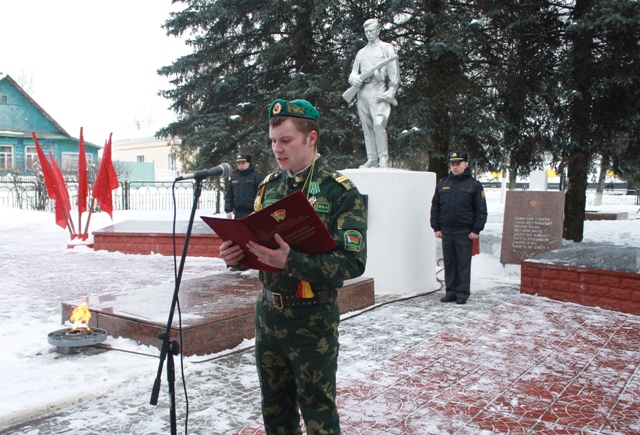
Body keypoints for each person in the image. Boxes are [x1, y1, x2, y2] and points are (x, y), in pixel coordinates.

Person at [219, 99, 367, 434]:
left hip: (312, 318)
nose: (277, 149)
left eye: (286, 140)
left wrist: (292, 262)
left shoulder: (339, 191)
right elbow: (258, 244)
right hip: (268, 314)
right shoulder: (269, 185)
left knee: (318, 414)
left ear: (311, 138)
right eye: (273, 141)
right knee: (275, 412)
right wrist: (237, 254)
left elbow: (353, 262)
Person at [430, 151, 487, 305]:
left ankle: (462, 293)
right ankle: (450, 292)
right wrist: (436, 227)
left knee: (463, 263)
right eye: (453, 164)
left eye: (458, 164)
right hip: (447, 230)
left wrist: (476, 230)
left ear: (465, 165)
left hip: (464, 231)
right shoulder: (442, 184)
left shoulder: (474, 185)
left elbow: (481, 210)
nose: (455, 167)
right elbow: (436, 207)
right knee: (449, 262)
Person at [348, 18, 400, 169]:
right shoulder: (361, 53)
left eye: (371, 31)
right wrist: (355, 79)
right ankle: (371, 158)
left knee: (379, 125)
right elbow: (353, 73)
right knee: (367, 128)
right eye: (366, 32)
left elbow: (394, 72)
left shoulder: (386, 48)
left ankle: (383, 159)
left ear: (378, 30)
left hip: (379, 93)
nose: (369, 34)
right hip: (363, 93)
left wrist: (392, 90)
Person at [224, 153, 263, 219]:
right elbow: (229, 196)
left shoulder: (257, 177)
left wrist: (258, 210)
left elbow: (261, 195)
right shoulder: (234, 178)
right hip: (238, 213)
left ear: (249, 163)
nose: (241, 166)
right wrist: (228, 210)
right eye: (239, 164)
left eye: (243, 163)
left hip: (253, 213)